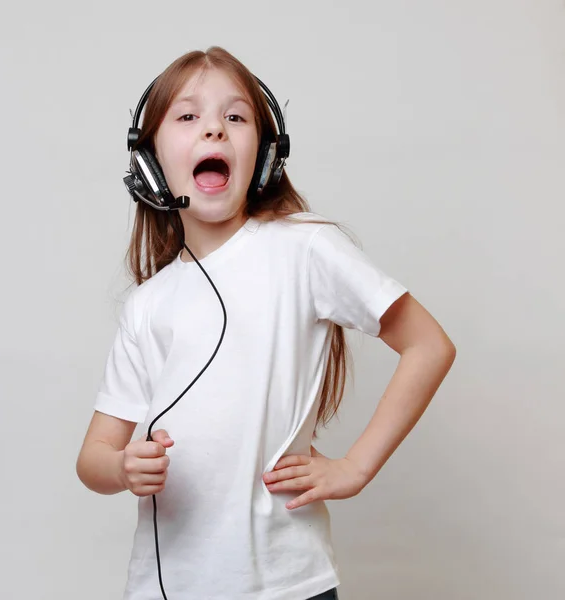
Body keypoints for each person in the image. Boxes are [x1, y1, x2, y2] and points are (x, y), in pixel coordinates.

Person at [76, 46, 456, 600]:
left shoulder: (305, 248)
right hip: (165, 588)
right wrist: (121, 468)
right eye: (188, 117)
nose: (214, 131)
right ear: (150, 157)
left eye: (235, 117)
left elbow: (429, 345)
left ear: (266, 154)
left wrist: (355, 467)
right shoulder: (147, 305)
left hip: (287, 584)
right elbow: (93, 459)